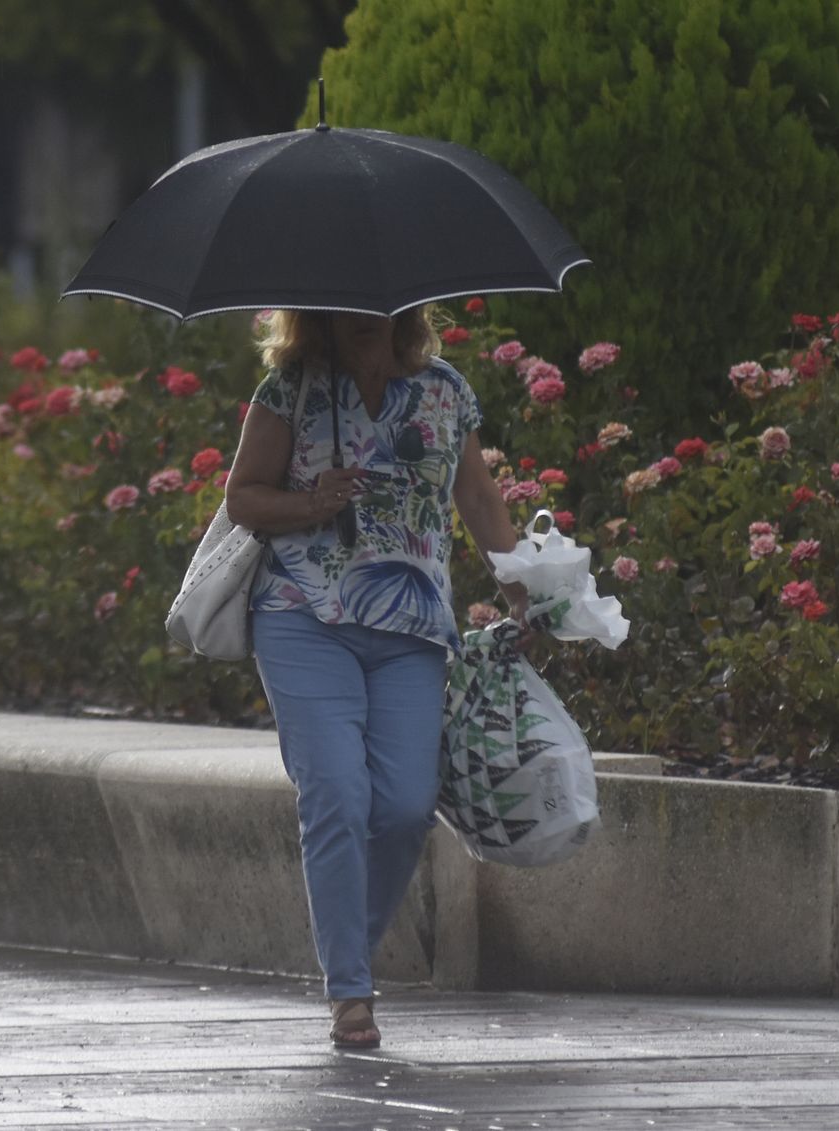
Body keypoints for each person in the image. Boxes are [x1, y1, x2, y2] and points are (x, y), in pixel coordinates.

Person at [224, 306, 529, 1050]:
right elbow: (243, 496)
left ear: (405, 308)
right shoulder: (291, 387)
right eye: (347, 308)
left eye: (377, 307)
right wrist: (312, 501)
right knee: (336, 792)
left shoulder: (444, 390)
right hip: (302, 614)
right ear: (319, 313)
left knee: (404, 806)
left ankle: (344, 946)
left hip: (410, 628)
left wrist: (522, 588)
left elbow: (478, 498)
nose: (364, 317)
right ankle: (350, 991)